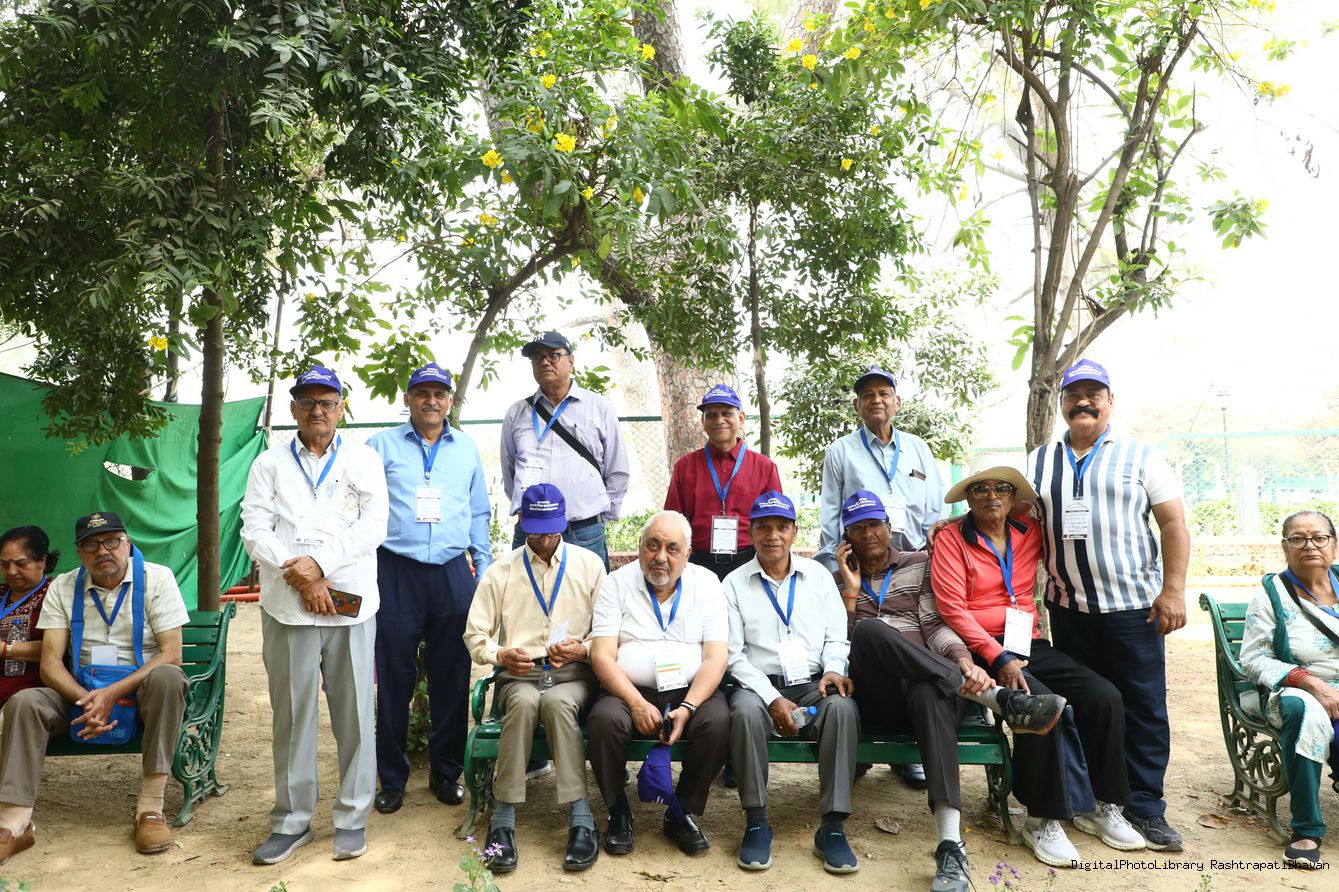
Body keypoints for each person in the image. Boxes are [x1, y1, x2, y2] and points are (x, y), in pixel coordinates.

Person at [836, 491, 1065, 892]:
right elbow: (839, 643)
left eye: (874, 524)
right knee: (870, 631)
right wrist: (851, 595)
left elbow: (934, 624)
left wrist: (963, 661)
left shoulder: (918, 563)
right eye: (857, 528)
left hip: (930, 688)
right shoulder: (834, 580)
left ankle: (949, 844)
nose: (868, 533)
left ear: (889, 527)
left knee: (929, 691)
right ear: (846, 538)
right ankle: (996, 699)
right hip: (878, 699)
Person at [932, 462, 1146, 868]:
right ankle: (1041, 817)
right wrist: (997, 657)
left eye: (1001, 488)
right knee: (1039, 705)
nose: (991, 496)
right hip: (980, 649)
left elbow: (1069, 537)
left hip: (1027, 641)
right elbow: (952, 609)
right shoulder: (951, 539)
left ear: (1014, 497)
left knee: (1105, 697)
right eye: (980, 489)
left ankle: (1102, 804)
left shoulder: (1029, 530)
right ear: (967, 499)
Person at [1024, 360, 1190, 851]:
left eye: (1094, 393)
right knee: (1091, 705)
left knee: (1142, 709)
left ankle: (1145, 807)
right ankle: (1096, 801)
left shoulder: (1141, 456)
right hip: (1068, 609)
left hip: (1134, 609)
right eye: (1074, 394)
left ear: (1110, 401)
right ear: (1062, 403)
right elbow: (1015, 520)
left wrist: (1173, 590)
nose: (1084, 401)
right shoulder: (1038, 461)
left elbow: (1173, 524)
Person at [241, 366, 389, 865]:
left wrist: (320, 566)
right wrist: (301, 575)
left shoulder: (364, 459)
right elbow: (254, 528)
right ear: (293, 409)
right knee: (292, 716)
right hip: (288, 606)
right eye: (308, 402)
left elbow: (373, 525)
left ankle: (352, 818)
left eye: (327, 402)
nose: (317, 411)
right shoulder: (268, 463)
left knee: (355, 715)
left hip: (350, 605)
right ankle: (291, 821)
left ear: (341, 408)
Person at [0, 512, 189, 865]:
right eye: (90, 545)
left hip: (141, 689)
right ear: (79, 553)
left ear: (127, 543)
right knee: (25, 702)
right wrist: (88, 699)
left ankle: (150, 809)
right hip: (80, 692)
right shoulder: (64, 586)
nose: (102, 550)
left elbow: (171, 654)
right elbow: (50, 663)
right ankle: (14, 823)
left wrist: (111, 694)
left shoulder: (157, 578)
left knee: (168, 676)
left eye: (111, 541)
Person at [366, 362, 491, 814]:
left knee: (452, 676)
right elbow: (361, 508)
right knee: (393, 677)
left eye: (439, 394)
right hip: (395, 569)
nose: (431, 401)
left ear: (449, 401)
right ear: (408, 399)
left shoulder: (467, 448)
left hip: (452, 573)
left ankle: (446, 773)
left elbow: (479, 511)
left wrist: (483, 567)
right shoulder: (379, 446)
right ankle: (392, 779)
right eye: (422, 393)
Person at [463, 484, 607, 873]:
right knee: (525, 704)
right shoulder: (502, 571)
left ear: (564, 522)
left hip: (572, 674)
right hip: (520, 676)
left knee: (558, 704)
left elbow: (609, 631)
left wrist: (582, 649)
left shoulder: (589, 565)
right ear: (522, 522)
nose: (544, 540)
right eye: (536, 531)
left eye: (552, 530)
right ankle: (503, 819)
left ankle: (581, 817)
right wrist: (501, 655)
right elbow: (475, 635)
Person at [817, 364, 945, 789]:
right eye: (868, 394)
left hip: (912, 565)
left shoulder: (918, 450)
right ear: (857, 405)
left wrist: (933, 560)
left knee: (910, 640)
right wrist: (838, 571)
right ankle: (858, 748)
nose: (876, 399)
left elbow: (935, 513)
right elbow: (831, 513)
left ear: (897, 402)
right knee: (862, 642)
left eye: (884, 393)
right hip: (862, 564)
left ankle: (906, 754)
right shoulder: (841, 451)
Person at [722, 491, 861, 874]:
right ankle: (756, 821)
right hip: (757, 686)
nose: (773, 536)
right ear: (751, 533)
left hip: (813, 684)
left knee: (842, 709)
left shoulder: (818, 576)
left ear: (794, 532)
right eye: (764, 528)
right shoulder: (733, 584)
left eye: (782, 527)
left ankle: (832, 827)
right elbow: (733, 655)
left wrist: (833, 669)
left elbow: (837, 637)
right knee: (744, 713)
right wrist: (771, 698)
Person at [587, 511, 730, 857]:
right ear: (640, 547)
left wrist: (689, 707)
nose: (660, 557)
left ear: (688, 553)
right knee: (604, 721)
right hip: (629, 689)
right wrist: (635, 702)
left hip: (690, 690)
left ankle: (681, 811)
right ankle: (618, 810)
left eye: (672, 548)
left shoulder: (708, 584)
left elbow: (715, 658)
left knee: (718, 722)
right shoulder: (617, 583)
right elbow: (602, 655)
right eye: (652, 546)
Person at [1239, 510, 1339, 869]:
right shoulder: (1271, 596)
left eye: (1319, 537)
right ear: (1285, 547)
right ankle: (1306, 830)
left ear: (1334, 544)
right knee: (1302, 712)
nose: (1310, 545)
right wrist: (1312, 683)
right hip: (1298, 687)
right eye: (1298, 538)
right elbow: (1253, 658)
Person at [500, 330, 630, 569]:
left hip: (582, 533)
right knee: (525, 594)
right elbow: (510, 474)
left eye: (553, 355)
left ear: (571, 360)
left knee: (588, 594)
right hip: (530, 534)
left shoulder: (598, 407)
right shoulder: (516, 413)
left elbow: (617, 470)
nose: (545, 362)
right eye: (537, 357)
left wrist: (599, 518)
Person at [665, 384, 782, 581]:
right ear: (703, 421)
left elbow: (776, 521)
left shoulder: (765, 467)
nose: (719, 420)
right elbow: (672, 522)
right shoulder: (684, 467)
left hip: (750, 562)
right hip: (698, 563)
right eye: (711, 415)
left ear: (741, 418)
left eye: (727, 413)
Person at [0, 527, 59, 709]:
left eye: (21, 564)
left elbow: (63, 649)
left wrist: (6, 649)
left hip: (28, 695)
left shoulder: (56, 593)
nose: (11, 571)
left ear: (43, 560)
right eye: (4, 564)